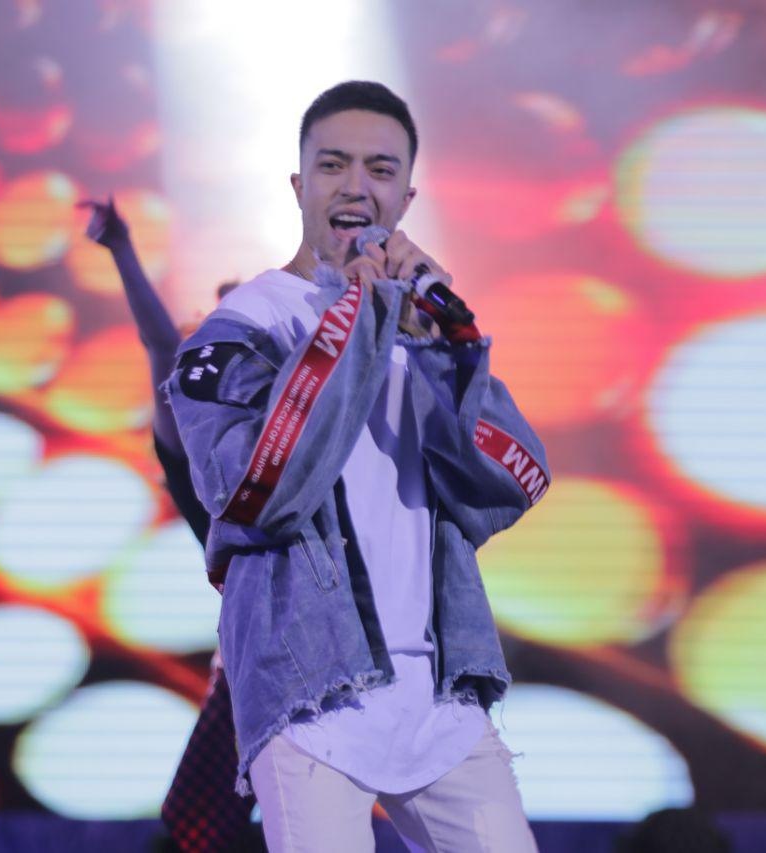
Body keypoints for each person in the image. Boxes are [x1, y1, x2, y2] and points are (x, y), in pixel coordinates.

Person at [163, 80, 550, 851]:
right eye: (333, 164)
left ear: (406, 197)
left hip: (440, 689)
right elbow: (258, 493)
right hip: (311, 686)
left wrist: (442, 346)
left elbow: (513, 478)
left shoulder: (417, 326)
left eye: (380, 169)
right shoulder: (243, 326)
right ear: (300, 185)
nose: (355, 186)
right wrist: (359, 316)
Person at [80, 199, 258, 853]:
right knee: (195, 827)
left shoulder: (312, 423)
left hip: (342, 651)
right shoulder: (196, 439)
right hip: (257, 660)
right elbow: (161, 345)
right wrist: (123, 249)